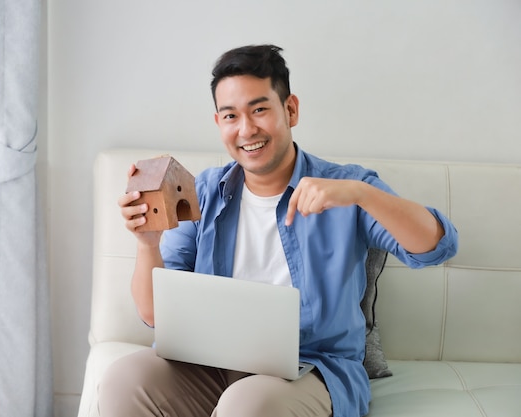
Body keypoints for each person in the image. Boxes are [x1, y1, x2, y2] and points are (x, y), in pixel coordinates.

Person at [99, 44, 458, 417]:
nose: (246, 129)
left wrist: (363, 195)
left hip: (313, 368)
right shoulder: (203, 192)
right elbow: (156, 314)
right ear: (219, 123)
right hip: (210, 364)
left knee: (249, 405)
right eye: (230, 116)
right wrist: (147, 242)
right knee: (122, 379)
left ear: (290, 110)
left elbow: (437, 246)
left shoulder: (347, 187)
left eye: (259, 109)